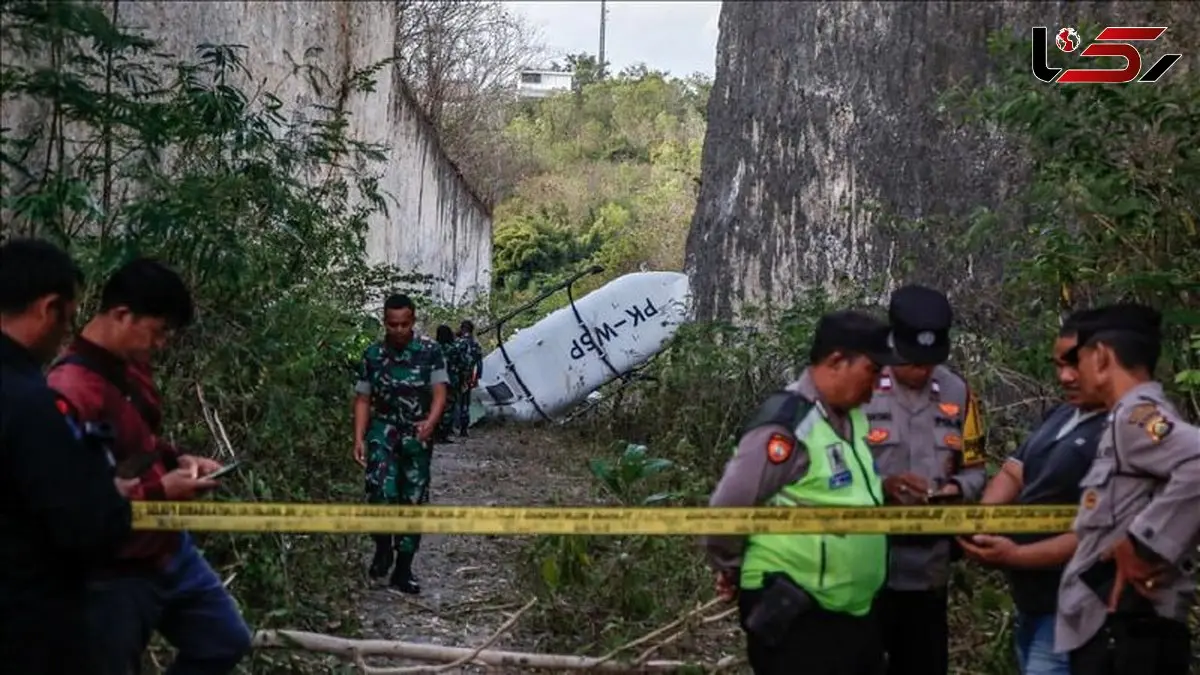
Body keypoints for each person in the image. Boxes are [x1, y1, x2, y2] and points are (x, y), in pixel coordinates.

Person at [47, 257, 253, 675]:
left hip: (168, 548)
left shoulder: (131, 370)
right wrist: (161, 491)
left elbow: (140, 440)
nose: (161, 345)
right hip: (115, 571)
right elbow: (75, 498)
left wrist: (178, 459)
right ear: (122, 315)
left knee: (224, 641)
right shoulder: (69, 391)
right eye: (158, 332)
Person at [703, 309, 902, 675]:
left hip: (851, 614)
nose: (875, 388)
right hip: (799, 613)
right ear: (837, 360)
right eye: (871, 372)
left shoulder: (851, 418)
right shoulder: (788, 424)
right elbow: (728, 506)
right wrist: (731, 568)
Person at [0, 238, 136, 675]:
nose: (66, 335)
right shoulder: (30, 405)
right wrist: (109, 494)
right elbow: (86, 527)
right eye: (68, 320)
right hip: (28, 634)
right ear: (48, 308)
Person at [957, 311, 1106, 675]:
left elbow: (1104, 531)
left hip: (1077, 610)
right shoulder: (1061, 415)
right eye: (1059, 365)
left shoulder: (1124, 432)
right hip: (1033, 605)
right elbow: (1013, 471)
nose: (1065, 376)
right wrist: (983, 521)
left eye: (1075, 365)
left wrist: (1016, 555)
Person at [1054, 303, 1199, 675]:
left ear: (1101, 357)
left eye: (1080, 360)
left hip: (1127, 633)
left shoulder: (1136, 417)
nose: (1073, 373)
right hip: (1117, 631)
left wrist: (1140, 543)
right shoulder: (1122, 418)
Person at [862, 284, 987, 675]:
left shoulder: (959, 392)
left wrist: (955, 490)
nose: (921, 370)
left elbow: (975, 468)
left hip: (928, 574)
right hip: (864, 570)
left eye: (929, 361)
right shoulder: (858, 388)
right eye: (912, 360)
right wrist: (881, 487)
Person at [353, 293, 448, 594]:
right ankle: (383, 547)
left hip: (417, 432)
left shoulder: (430, 351)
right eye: (393, 324)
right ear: (385, 322)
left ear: (413, 321)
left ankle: (403, 569)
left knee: (412, 499)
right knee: (380, 491)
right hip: (383, 429)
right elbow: (363, 398)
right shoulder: (372, 355)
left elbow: (440, 391)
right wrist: (359, 437)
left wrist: (431, 422)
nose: (398, 330)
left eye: (404, 324)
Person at [434, 324, 466, 444]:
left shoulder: (433, 348)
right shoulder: (453, 348)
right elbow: (462, 364)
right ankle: (443, 434)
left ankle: (435, 433)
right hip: (451, 381)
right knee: (448, 408)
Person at [455, 320, 483, 437]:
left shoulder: (458, 342)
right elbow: (479, 363)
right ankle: (464, 428)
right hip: (468, 375)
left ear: (462, 329)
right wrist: (477, 377)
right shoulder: (475, 344)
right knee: (465, 402)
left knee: (455, 401)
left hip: (456, 375)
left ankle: (452, 426)